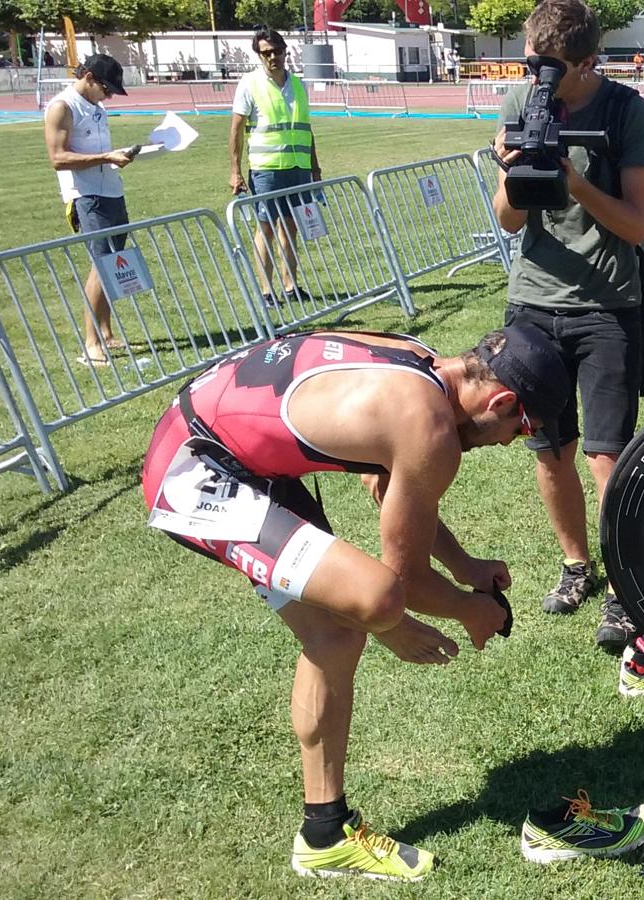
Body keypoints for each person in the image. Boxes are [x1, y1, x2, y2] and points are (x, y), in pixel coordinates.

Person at [140, 326, 572, 880]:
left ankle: (324, 834)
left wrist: (464, 567)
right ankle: (325, 834)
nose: (511, 442)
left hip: (221, 437)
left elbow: (386, 487)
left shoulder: (418, 359)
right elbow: (406, 580)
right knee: (376, 599)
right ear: (503, 401)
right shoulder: (430, 426)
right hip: (195, 468)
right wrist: (469, 610)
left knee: (340, 632)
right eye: (522, 427)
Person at [490, 0, 644, 655]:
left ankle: (624, 588)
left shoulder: (624, 110)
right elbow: (509, 221)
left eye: (551, 71)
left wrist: (572, 178)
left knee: (606, 456)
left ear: (589, 63)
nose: (538, 81)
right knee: (549, 448)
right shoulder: (519, 99)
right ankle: (574, 565)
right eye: (531, 65)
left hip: (606, 305)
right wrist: (515, 166)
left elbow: (636, 225)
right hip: (533, 302)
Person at [43, 53, 135, 367]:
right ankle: (91, 342)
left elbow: (97, 150)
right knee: (101, 265)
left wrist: (116, 156)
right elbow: (58, 158)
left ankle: (106, 332)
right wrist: (107, 157)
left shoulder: (96, 106)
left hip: (111, 190)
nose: (109, 95)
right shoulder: (62, 107)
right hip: (87, 195)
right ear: (90, 78)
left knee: (112, 263)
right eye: (107, 88)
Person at [228, 27, 321, 309]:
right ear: (259, 55)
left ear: (285, 51)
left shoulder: (298, 85)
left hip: (298, 167)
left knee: (292, 228)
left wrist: (315, 167)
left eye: (276, 51)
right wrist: (235, 171)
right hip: (266, 169)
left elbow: (306, 127)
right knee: (266, 229)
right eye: (266, 53)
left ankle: (290, 286)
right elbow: (236, 129)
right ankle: (267, 292)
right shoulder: (249, 84)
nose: (272, 57)